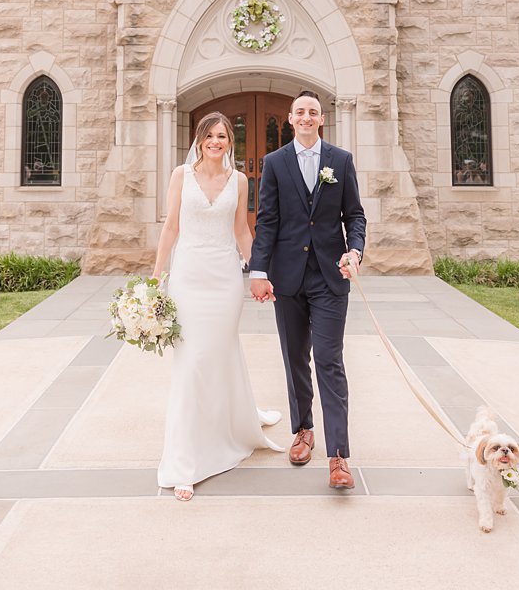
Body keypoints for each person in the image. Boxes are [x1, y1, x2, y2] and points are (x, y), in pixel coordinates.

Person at [154, 113, 283, 501]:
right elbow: (171, 227)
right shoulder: (181, 175)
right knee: (191, 362)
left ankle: (231, 425)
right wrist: (155, 277)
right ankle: (185, 460)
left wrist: (260, 273)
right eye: (210, 135)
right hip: (189, 277)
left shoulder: (240, 181)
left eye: (223, 136)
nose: (216, 141)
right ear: (199, 139)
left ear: (231, 141)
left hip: (226, 279)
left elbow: (242, 230)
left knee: (220, 354)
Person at [249, 90, 366, 489]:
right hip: (288, 276)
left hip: (331, 277)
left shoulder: (341, 161)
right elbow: (267, 221)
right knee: (295, 358)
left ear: (321, 119)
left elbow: (355, 215)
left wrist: (355, 251)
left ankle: (339, 456)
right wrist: (258, 271)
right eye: (299, 111)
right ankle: (303, 430)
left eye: (312, 112)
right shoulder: (275, 163)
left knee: (329, 360)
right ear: (290, 118)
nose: (306, 117)